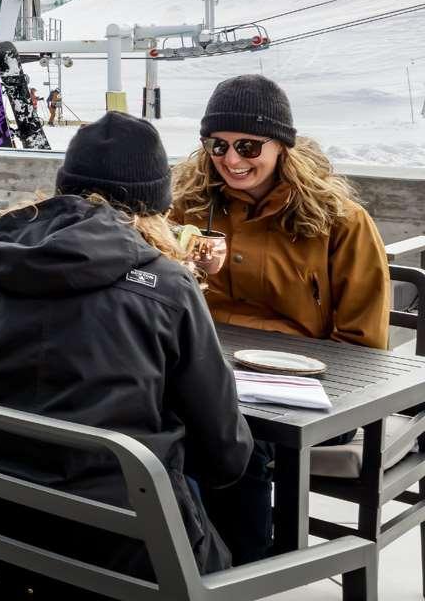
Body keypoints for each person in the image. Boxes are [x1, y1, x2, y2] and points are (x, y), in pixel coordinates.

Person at [0, 112, 253, 598]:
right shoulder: (169, 289)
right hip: (121, 562)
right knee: (234, 534)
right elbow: (226, 456)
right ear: (153, 206)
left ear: (63, 186)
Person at [172, 75, 390, 566]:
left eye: (249, 145)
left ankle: (242, 571)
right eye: (218, 146)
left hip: (314, 393)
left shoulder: (340, 220)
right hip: (211, 376)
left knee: (231, 440)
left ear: (282, 147)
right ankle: (184, 559)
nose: (232, 160)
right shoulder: (190, 208)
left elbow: (363, 343)